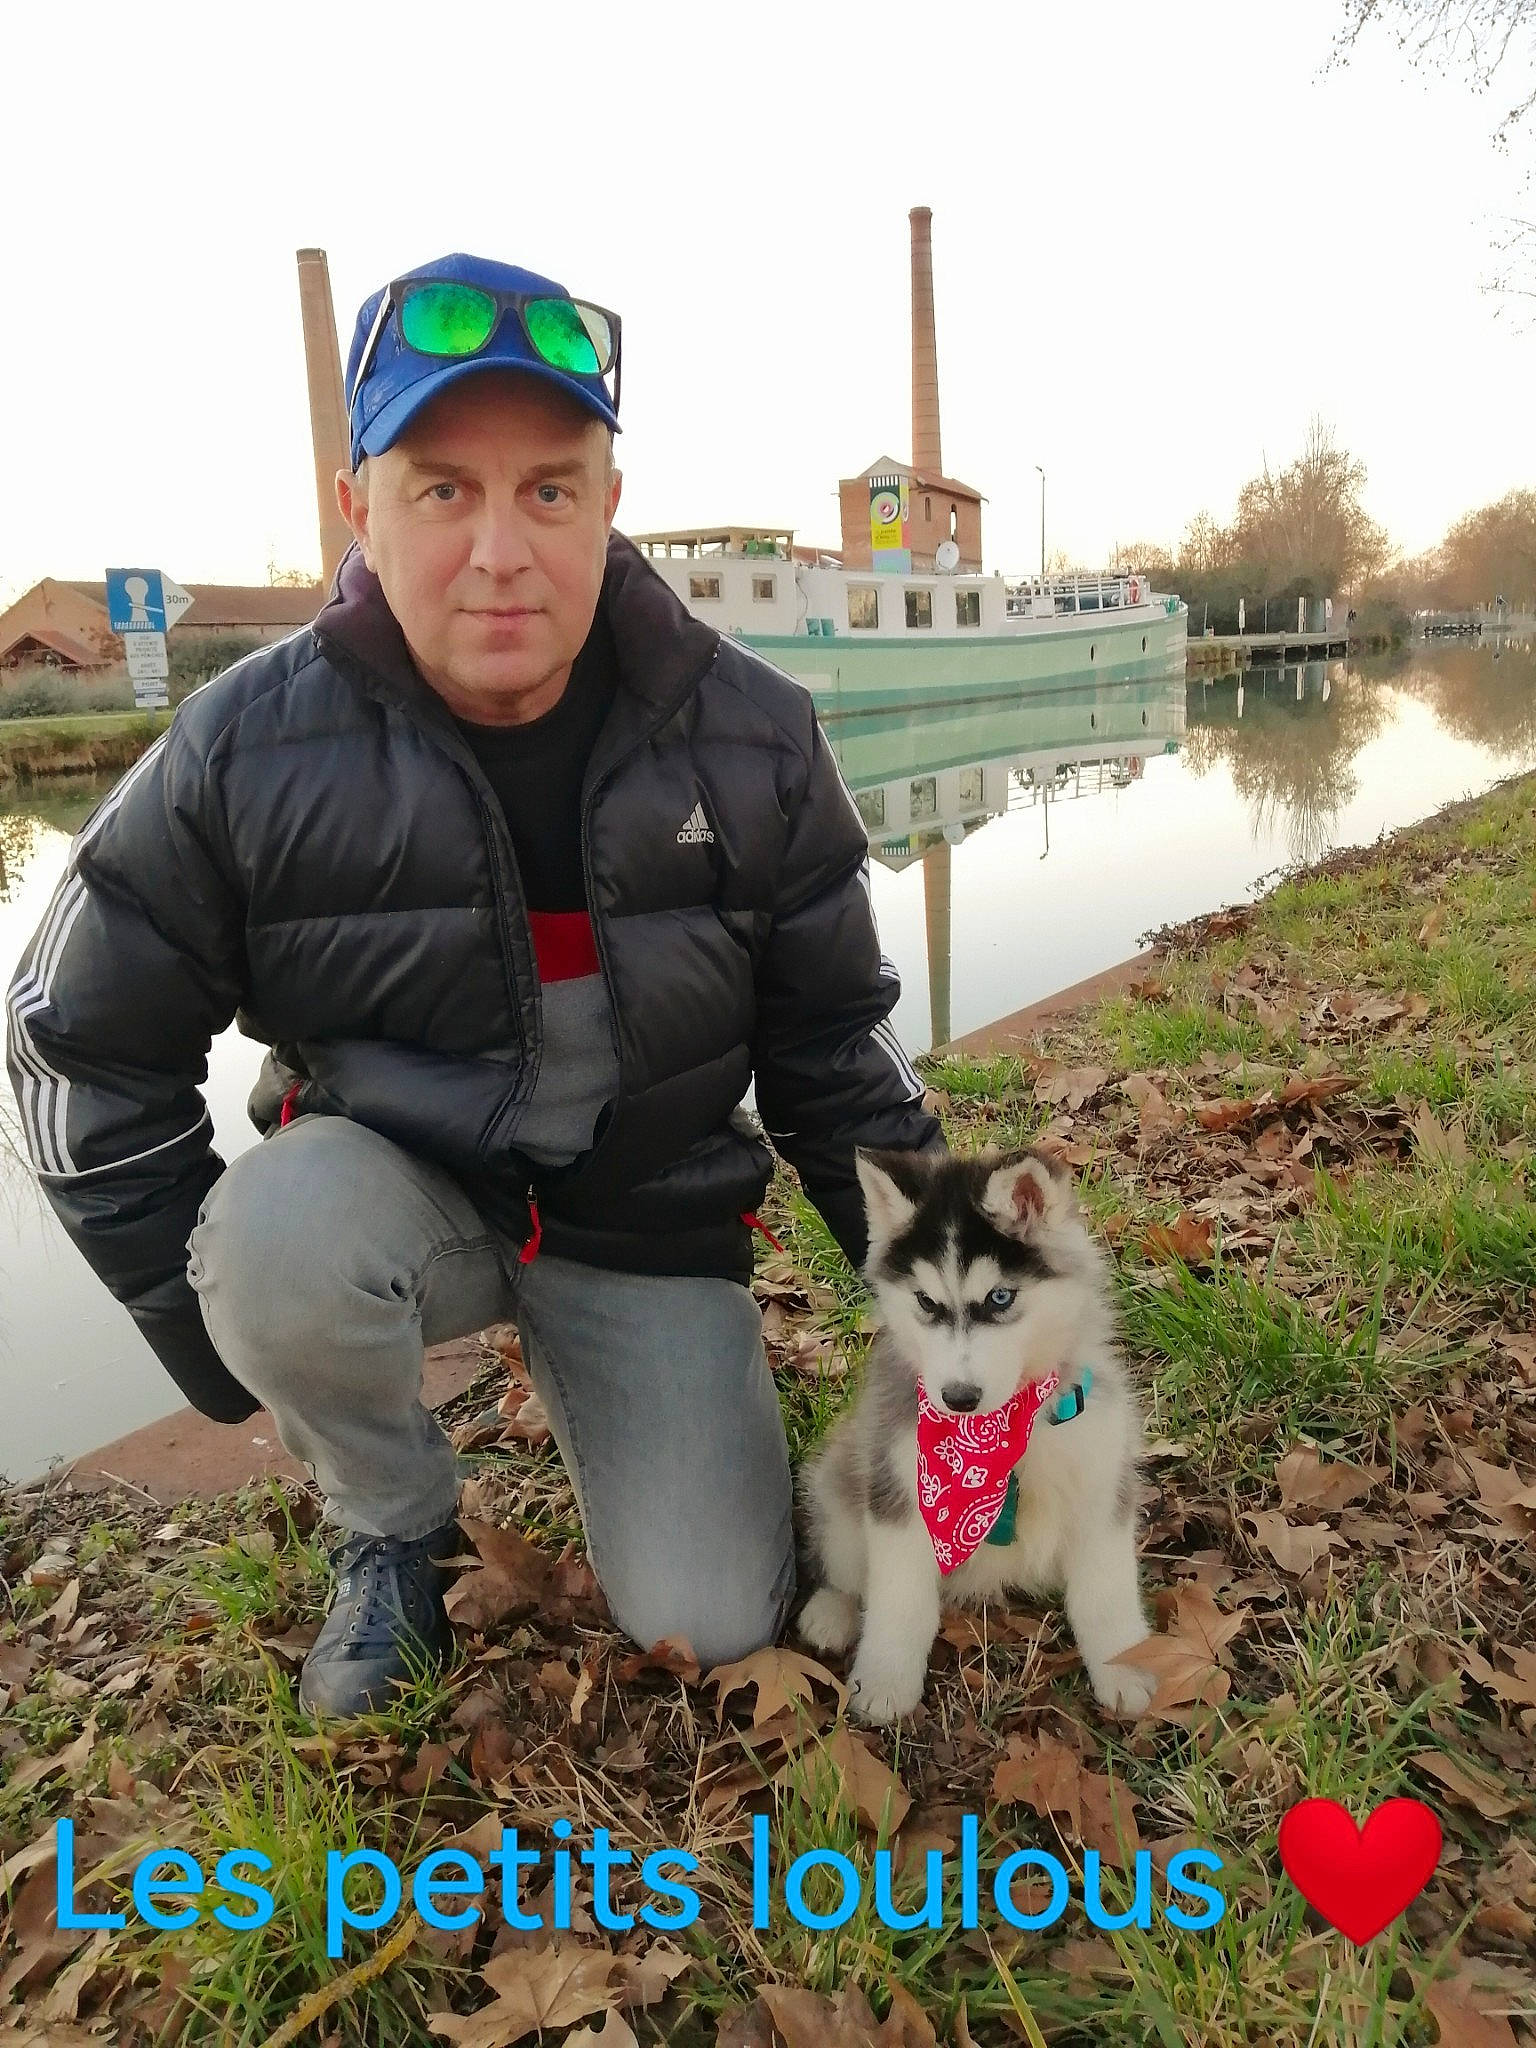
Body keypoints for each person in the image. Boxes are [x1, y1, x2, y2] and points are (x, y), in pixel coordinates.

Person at [4, 251, 942, 1716]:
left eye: (548, 490)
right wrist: (208, 1334)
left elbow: (836, 1046)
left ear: (607, 505)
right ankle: (392, 1526)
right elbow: (69, 1051)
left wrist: (948, 1304)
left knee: (712, 1613)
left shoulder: (753, 740)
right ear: (357, 505)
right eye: (444, 488)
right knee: (270, 1244)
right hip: (397, 1200)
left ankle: (637, 1399)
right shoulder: (243, 752)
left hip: (641, 1221)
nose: (501, 550)